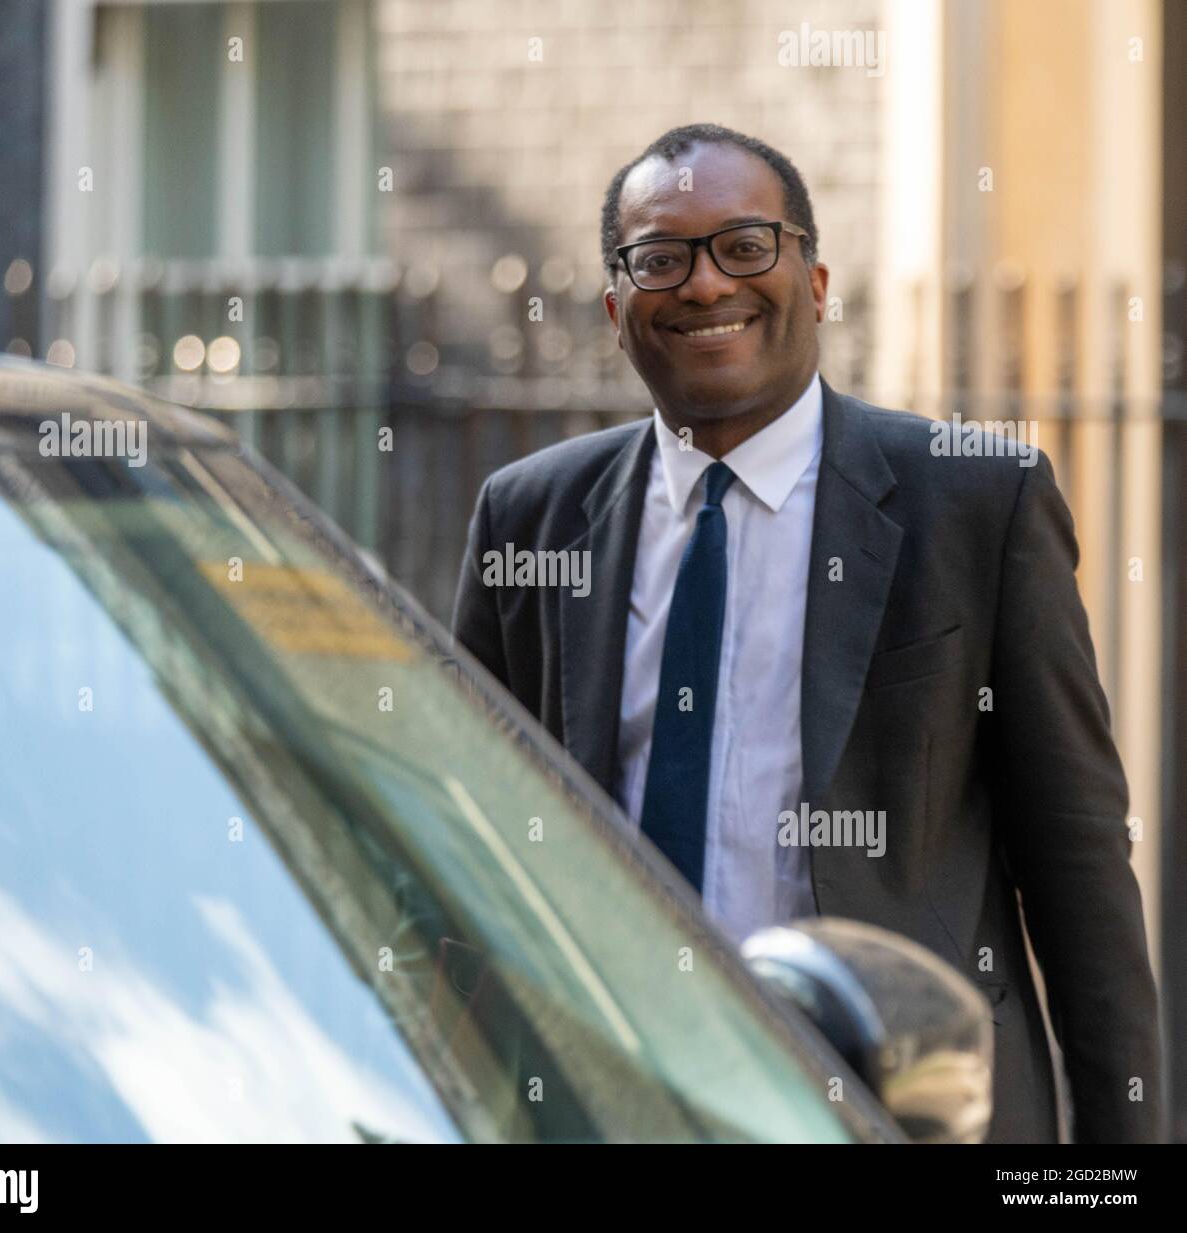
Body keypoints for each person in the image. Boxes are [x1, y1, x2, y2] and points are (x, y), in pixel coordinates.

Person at [451, 123, 1163, 1144]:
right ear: (616, 309)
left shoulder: (971, 502)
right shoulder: (530, 518)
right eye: (660, 258)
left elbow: (1078, 864)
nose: (703, 285)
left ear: (816, 282)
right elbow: (464, 843)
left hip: (898, 1111)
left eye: (745, 245)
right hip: (610, 1106)